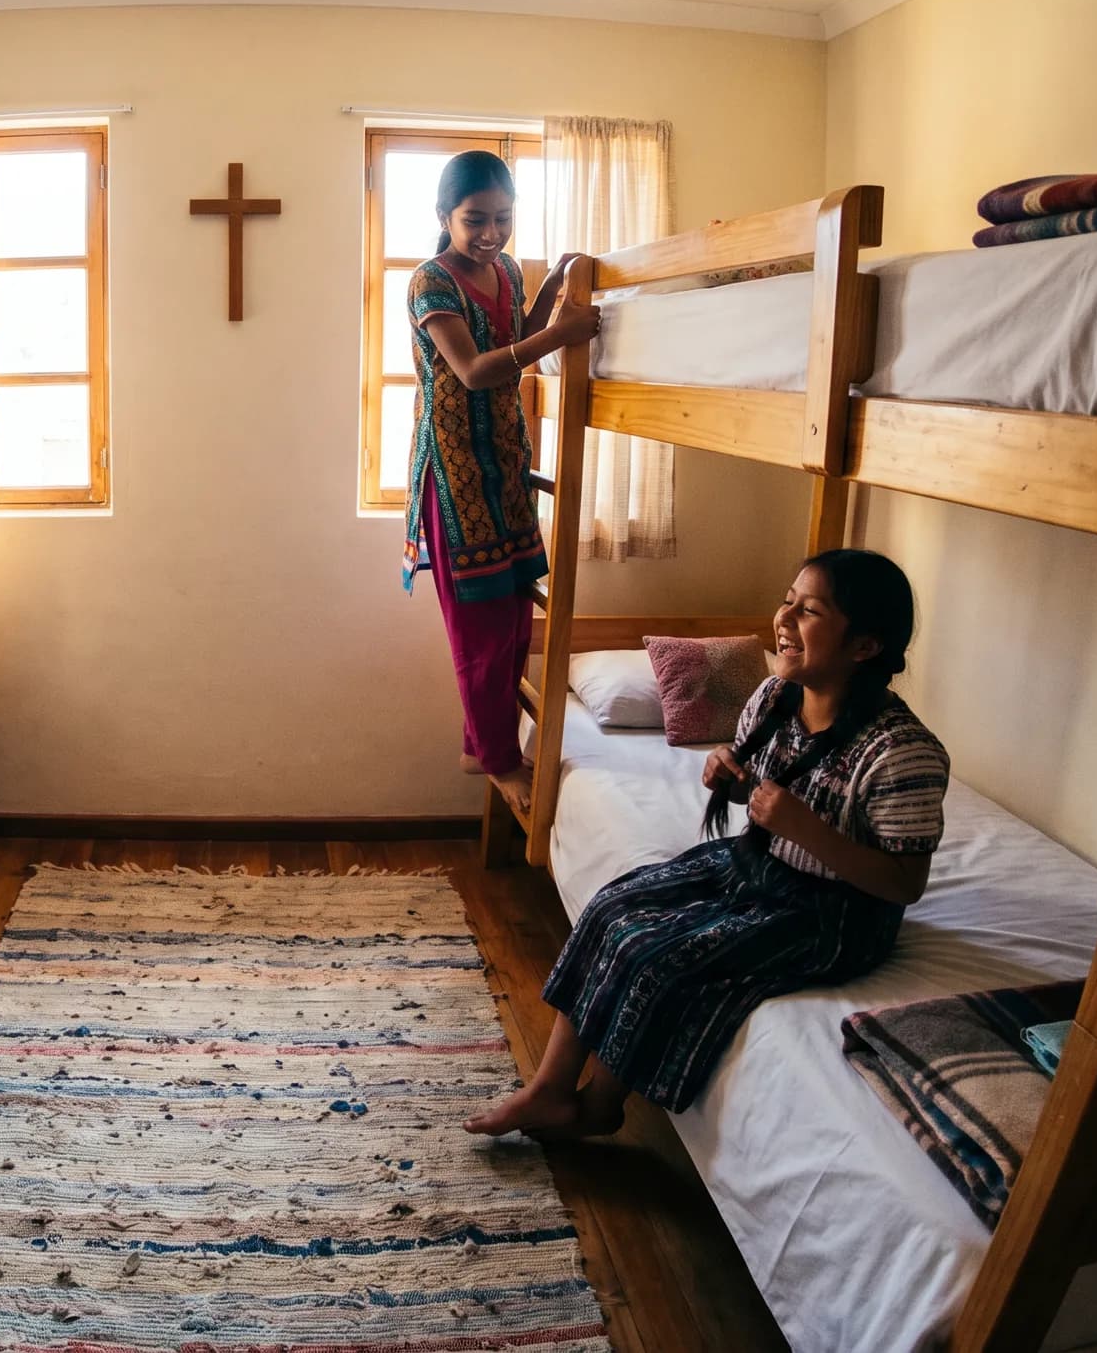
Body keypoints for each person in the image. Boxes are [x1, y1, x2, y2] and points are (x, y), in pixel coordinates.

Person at [466, 549, 950, 1138]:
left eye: (810, 611)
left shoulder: (902, 752)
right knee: (612, 907)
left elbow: (905, 883)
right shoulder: (775, 698)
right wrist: (735, 776)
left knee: (656, 954)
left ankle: (600, 1105)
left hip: (833, 914)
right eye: (788, 600)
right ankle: (549, 1090)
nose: (785, 618)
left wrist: (802, 828)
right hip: (758, 864)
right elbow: (772, 797)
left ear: (865, 646)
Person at [404, 151, 600, 820]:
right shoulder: (431, 283)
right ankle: (496, 757)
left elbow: (513, 331)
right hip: (458, 479)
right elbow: (475, 370)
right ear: (443, 217)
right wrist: (560, 334)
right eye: (475, 220)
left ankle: (479, 743)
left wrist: (553, 295)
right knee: (482, 626)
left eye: (503, 218)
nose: (491, 233)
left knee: (516, 618)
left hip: (505, 466)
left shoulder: (508, 270)